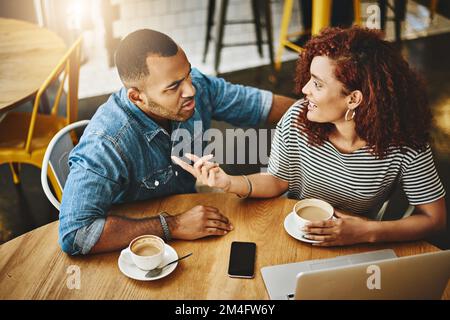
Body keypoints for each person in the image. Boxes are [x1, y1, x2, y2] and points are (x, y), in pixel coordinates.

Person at [173, 26, 447, 247]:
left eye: (317, 83)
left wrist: (368, 232)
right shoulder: (297, 118)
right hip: (296, 232)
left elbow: (434, 219)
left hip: (359, 242)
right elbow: (278, 181)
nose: (304, 89)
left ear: (353, 98)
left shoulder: (405, 142)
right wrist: (228, 182)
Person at [59, 29, 295, 255]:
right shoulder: (105, 144)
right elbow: (76, 234)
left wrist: (317, 114)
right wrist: (173, 226)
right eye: (173, 87)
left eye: (188, 75)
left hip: (191, 200)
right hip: (137, 244)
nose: (191, 90)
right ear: (136, 97)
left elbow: (260, 106)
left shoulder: (196, 86)